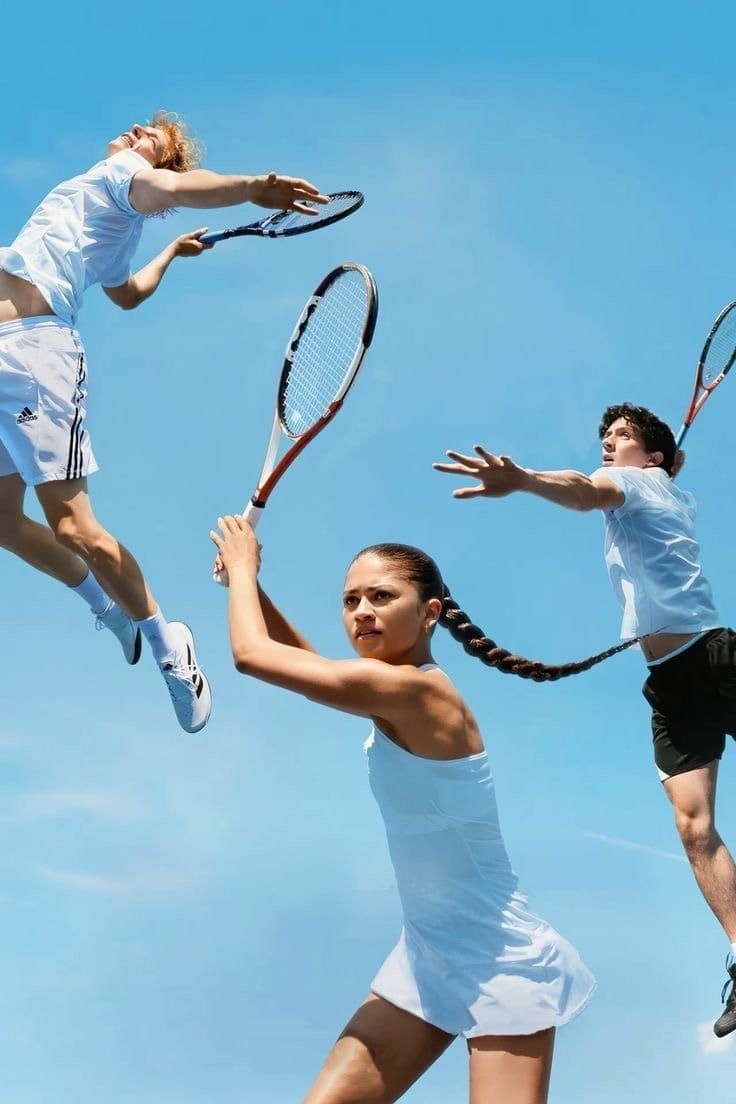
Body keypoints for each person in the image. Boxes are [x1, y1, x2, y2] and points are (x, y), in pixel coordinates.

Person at [210, 518, 594, 1103]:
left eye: (381, 596)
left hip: (500, 956)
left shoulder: (423, 693)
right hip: (427, 952)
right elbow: (311, 665)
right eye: (350, 600)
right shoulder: (388, 691)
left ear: (430, 613)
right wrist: (252, 589)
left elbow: (251, 656)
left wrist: (242, 566)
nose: (361, 610)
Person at [0, 113, 327, 732]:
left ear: (158, 162)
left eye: (153, 135)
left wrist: (253, 187)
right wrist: (173, 252)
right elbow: (126, 294)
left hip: (35, 355)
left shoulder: (126, 176)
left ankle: (168, 644)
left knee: (73, 526)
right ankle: (110, 608)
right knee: (0, 520)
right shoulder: (111, 221)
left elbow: (180, 190)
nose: (135, 130)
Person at [434, 402, 736, 1037]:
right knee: (693, 825)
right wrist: (661, 458)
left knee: (695, 823)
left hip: (715, 658)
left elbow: (584, 489)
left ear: (653, 458)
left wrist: (523, 480)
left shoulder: (636, 482)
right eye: (604, 435)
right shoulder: (665, 486)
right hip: (673, 679)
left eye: (622, 436)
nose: (608, 443)